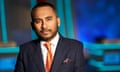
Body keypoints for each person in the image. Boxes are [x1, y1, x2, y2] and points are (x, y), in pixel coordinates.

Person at [14, 2, 86, 72]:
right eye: (38, 21)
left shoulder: (75, 47)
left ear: (58, 22)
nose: (44, 26)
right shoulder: (25, 50)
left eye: (48, 19)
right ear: (32, 26)